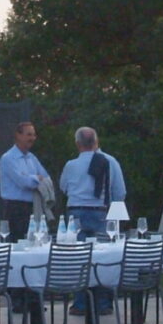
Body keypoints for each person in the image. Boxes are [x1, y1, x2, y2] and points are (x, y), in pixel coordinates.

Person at [58, 126, 127, 313]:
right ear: (96, 142)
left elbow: (63, 187)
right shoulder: (110, 161)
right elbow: (120, 192)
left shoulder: (70, 165)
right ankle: (103, 303)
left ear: (78, 144)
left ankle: (81, 303)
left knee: (79, 258)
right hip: (101, 212)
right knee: (104, 257)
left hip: (76, 213)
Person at [0, 120, 50, 238]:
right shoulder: (9, 158)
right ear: (18, 135)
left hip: (33, 207)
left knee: (35, 242)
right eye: (29, 134)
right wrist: (35, 177)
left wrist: (30, 178)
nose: (32, 138)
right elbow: (23, 182)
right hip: (15, 209)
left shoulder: (32, 158)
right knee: (16, 246)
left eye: (34, 135)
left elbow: (46, 179)